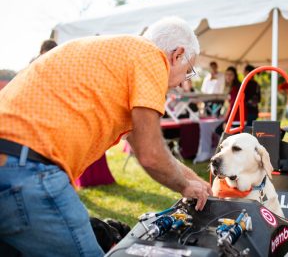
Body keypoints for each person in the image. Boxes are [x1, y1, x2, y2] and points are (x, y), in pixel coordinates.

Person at [0, 17, 211, 256]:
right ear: (177, 54)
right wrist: (185, 187)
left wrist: (202, 185)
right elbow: (151, 153)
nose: (184, 83)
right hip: (28, 168)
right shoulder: (151, 56)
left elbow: (150, 146)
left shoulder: (120, 56)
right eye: (188, 71)